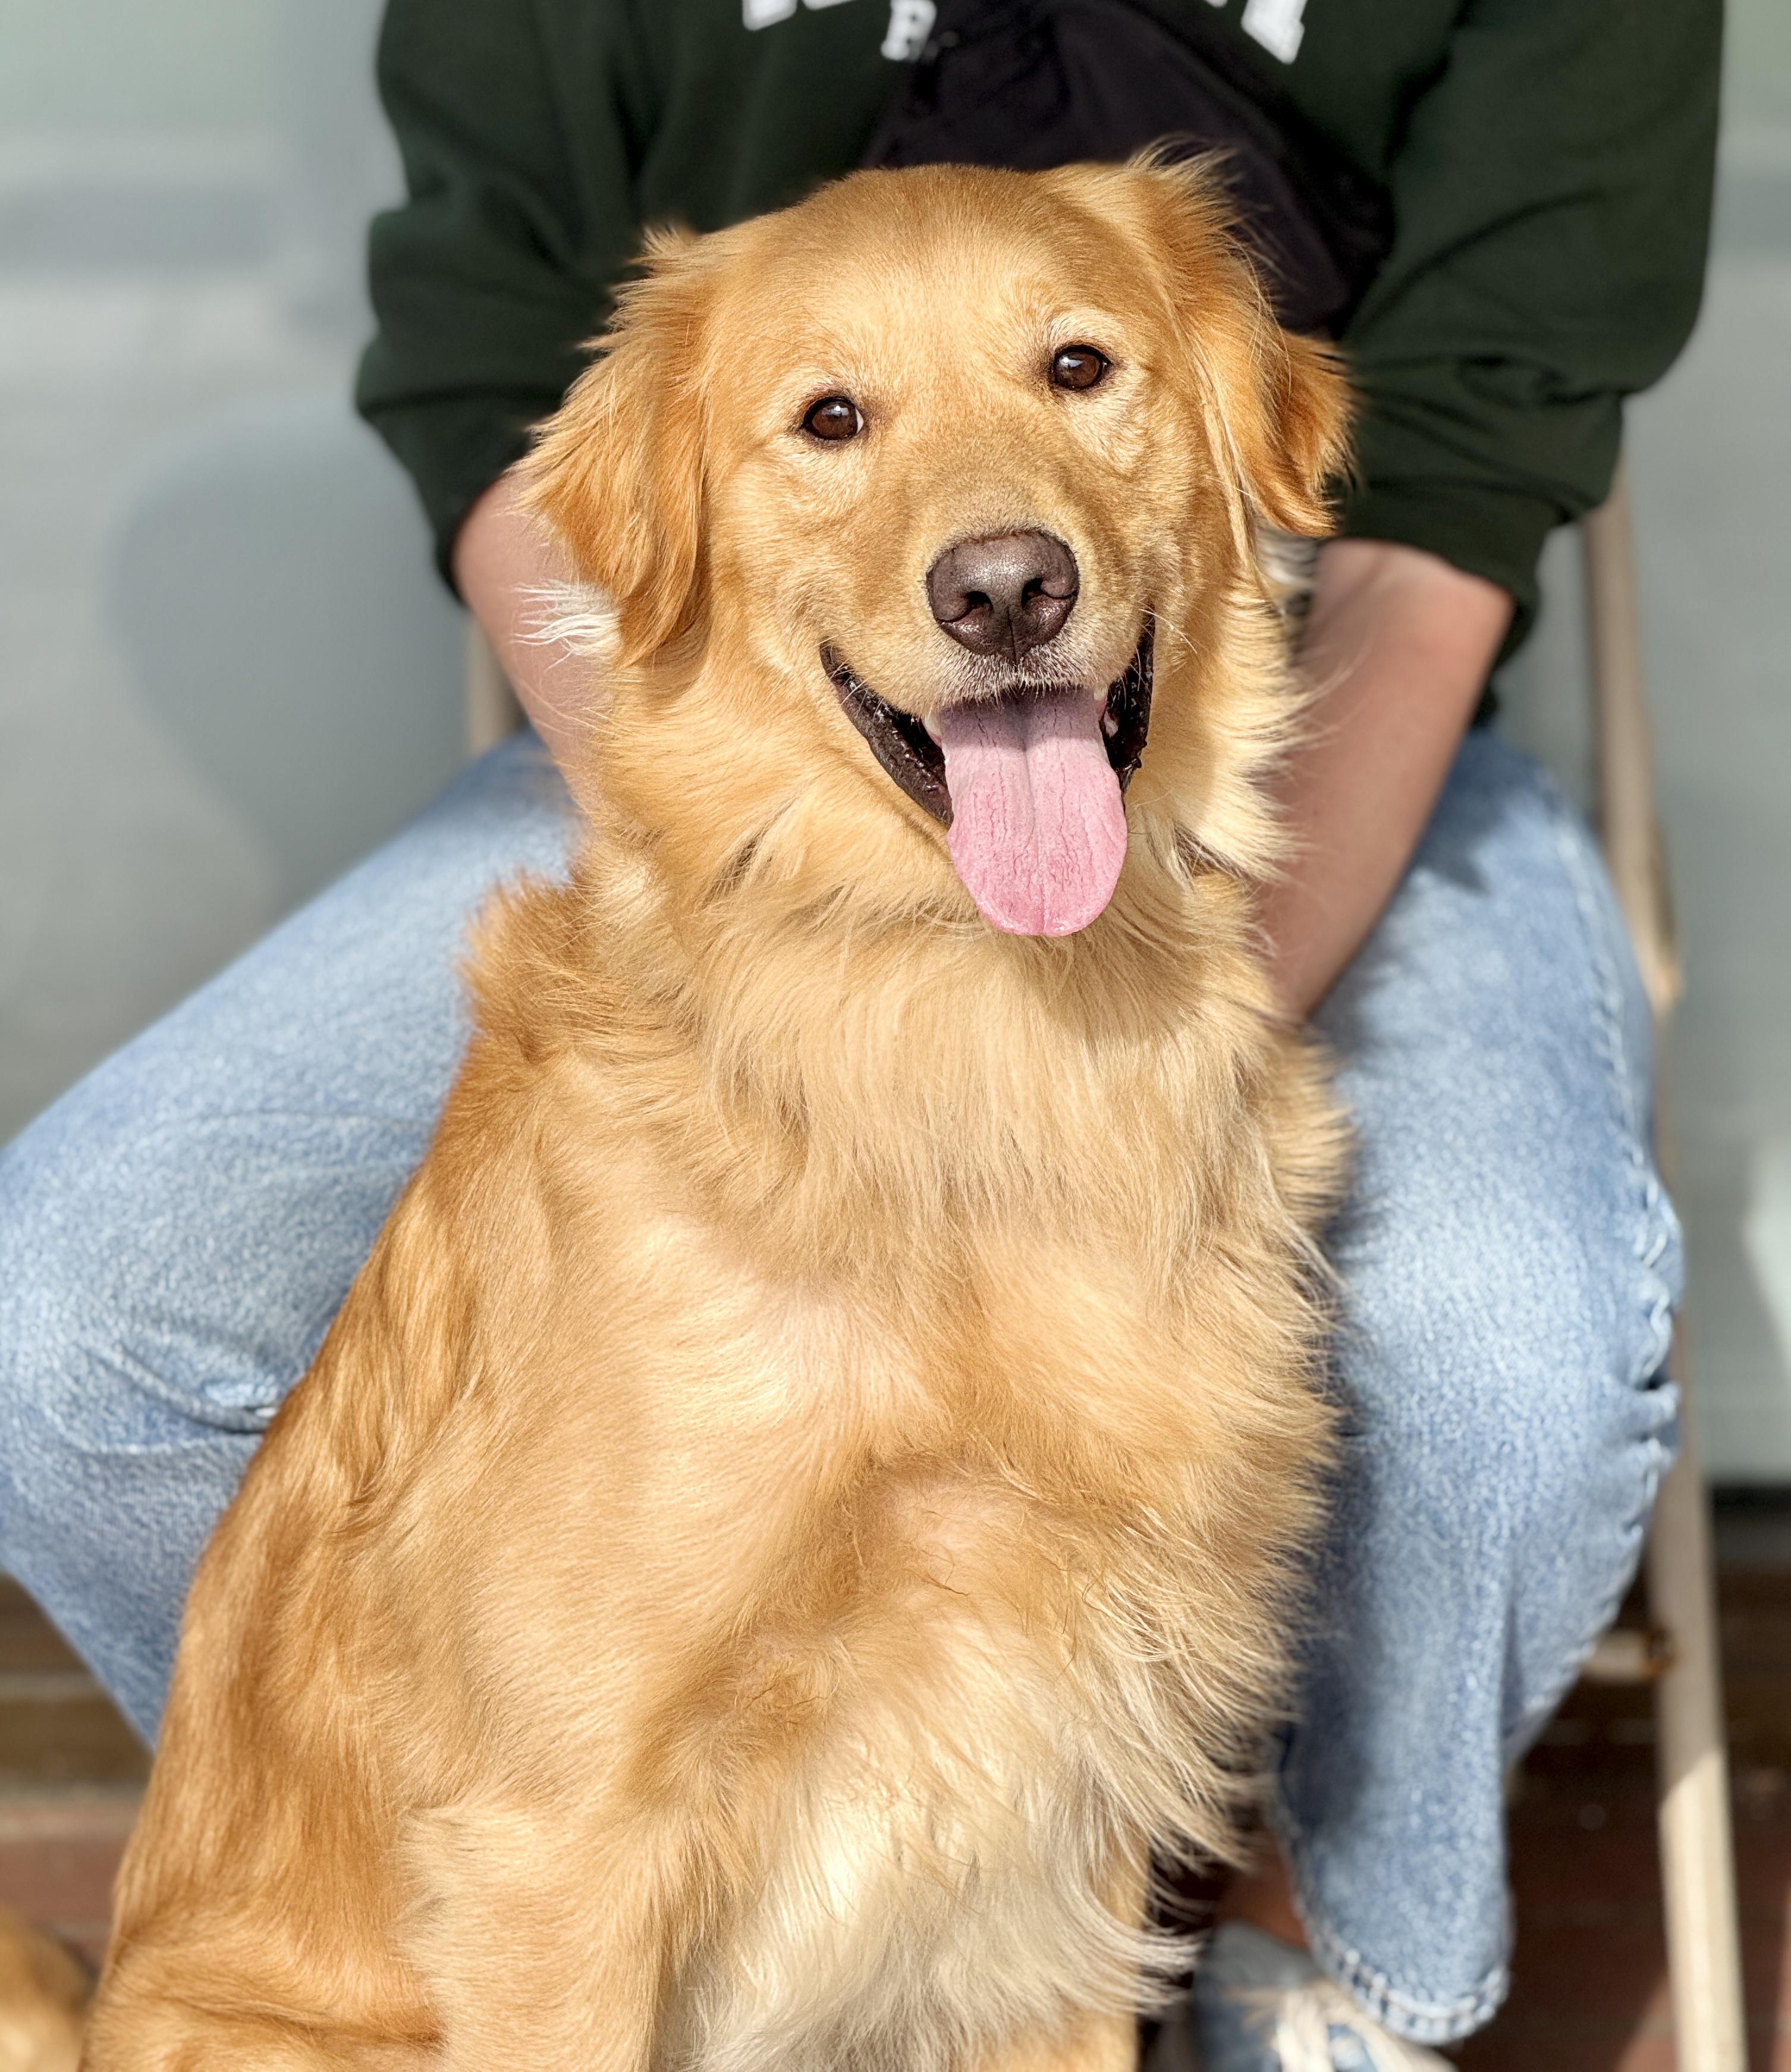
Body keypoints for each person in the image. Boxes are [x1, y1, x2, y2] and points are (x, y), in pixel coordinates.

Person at [0, 1, 1718, 2065]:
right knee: (75, 1309)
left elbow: (1458, 464)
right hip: (733, 770)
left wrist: (1144, 1032)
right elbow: (480, 323)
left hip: (1337, 732)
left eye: (1077, 375)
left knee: (1502, 1355)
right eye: (833, 421)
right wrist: (692, 857)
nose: (991, 538)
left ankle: (1305, 1960)